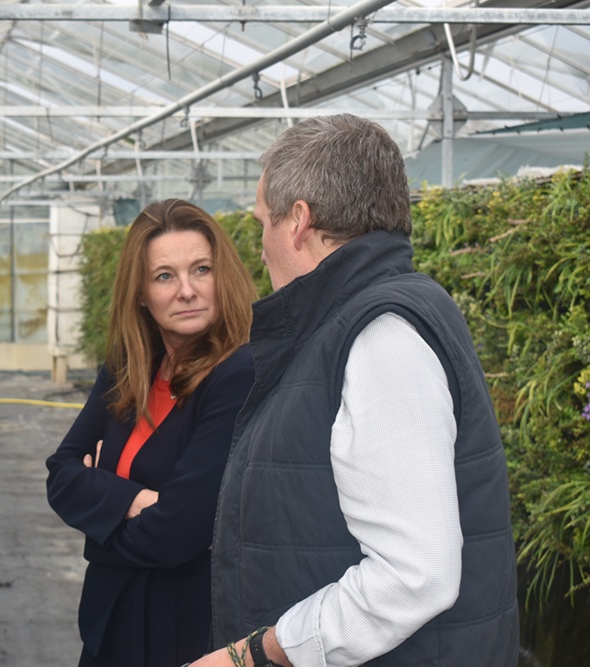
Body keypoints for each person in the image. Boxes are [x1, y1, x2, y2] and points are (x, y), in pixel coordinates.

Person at [194, 114, 518, 667]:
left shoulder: (381, 334)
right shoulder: (358, 319)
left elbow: (415, 576)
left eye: (261, 226)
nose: (262, 247)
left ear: (298, 221)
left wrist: (258, 654)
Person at [47, 199, 256, 667]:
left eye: (201, 269)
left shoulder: (237, 374)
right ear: (140, 292)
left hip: (180, 635)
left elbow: (175, 535)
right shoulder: (127, 366)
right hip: (108, 627)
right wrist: (138, 501)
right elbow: (60, 475)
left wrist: (99, 508)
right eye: (165, 276)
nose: (187, 290)